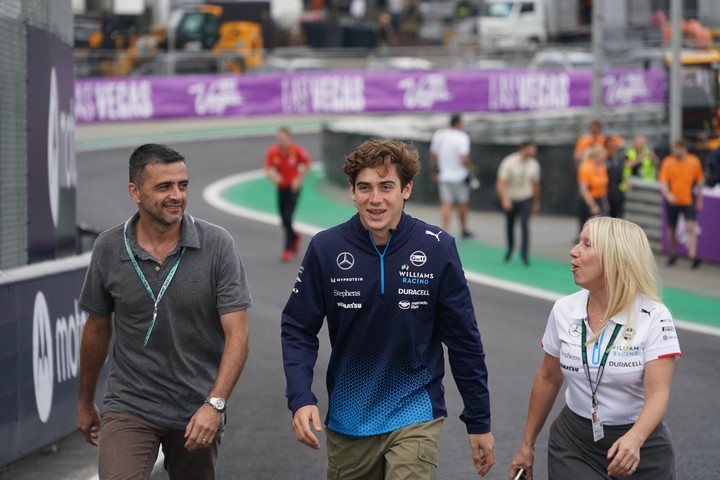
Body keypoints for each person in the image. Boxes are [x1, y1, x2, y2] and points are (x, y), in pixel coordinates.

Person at [281, 139, 495, 479]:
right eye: (364, 187)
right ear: (351, 191)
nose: (375, 198)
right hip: (348, 418)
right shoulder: (326, 247)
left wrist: (479, 420)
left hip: (415, 410)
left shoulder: (437, 248)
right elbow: (297, 327)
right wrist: (301, 398)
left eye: (387, 187)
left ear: (406, 189)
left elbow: (464, 340)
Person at [77, 144, 252, 480]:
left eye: (182, 185)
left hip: (196, 407)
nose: (177, 196)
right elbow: (97, 329)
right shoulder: (108, 248)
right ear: (135, 192)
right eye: (164, 187)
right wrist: (85, 402)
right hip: (130, 404)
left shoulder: (218, 245)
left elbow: (238, 334)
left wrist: (215, 404)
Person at [509, 216, 681, 480]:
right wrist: (526, 445)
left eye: (587, 244)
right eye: (579, 242)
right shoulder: (563, 310)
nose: (574, 251)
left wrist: (634, 439)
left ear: (616, 257)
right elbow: (548, 377)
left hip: (641, 445)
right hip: (574, 443)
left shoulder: (655, 316)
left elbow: (658, 392)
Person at [264, 127, 312, 262]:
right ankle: (295, 236)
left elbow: (307, 165)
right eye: (278, 139)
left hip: (293, 188)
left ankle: (287, 248)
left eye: (283, 139)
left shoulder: (296, 151)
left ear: (288, 139)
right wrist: (274, 176)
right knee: (283, 220)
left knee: (288, 216)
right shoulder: (273, 152)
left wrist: (298, 178)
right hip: (281, 188)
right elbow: (267, 170)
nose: (280, 141)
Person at [658, 138, 705, 269]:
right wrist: (668, 195)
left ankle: (692, 255)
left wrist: (700, 199)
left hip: (688, 199)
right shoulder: (668, 161)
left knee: (690, 226)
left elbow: (700, 181)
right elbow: (663, 182)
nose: (673, 151)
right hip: (673, 201)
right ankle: (673, 253)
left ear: (683, 149)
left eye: (675, 149)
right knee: (672, 228)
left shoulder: (694, 161)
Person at [495, 140, 541, 266]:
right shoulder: (509, 162)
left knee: (525, 225)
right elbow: (500, 182)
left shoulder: (534, 164)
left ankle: (524, 255)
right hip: (511, 198)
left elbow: (536, 184)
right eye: (532, 148)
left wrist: (536, 202)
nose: (534, 151)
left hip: (525, 198)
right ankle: (510, 250)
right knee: (510, 225)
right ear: (523, 148)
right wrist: (504, 199)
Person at [430, 113, 475, 238]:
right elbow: (463, 157)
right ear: (459, 123)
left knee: (446, 203)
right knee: (463, 203)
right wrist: (471, 169)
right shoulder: (462, 137)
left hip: (444, 176)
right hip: (460, 176)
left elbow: (433, 155)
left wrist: (435, 171)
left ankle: (445, 231)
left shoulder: (440, 135)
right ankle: (463, 229)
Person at [577, 145, 609, 236]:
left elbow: (603, 186)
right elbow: (584, 189)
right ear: (597, 155)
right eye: (603, 155)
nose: (605, 157)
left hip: (598, 198)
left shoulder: (602, 166)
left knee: (598, 229)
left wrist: (605, 202)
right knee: (586, 228)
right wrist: (592, 205)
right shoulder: (585, 167)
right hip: (588, 200)